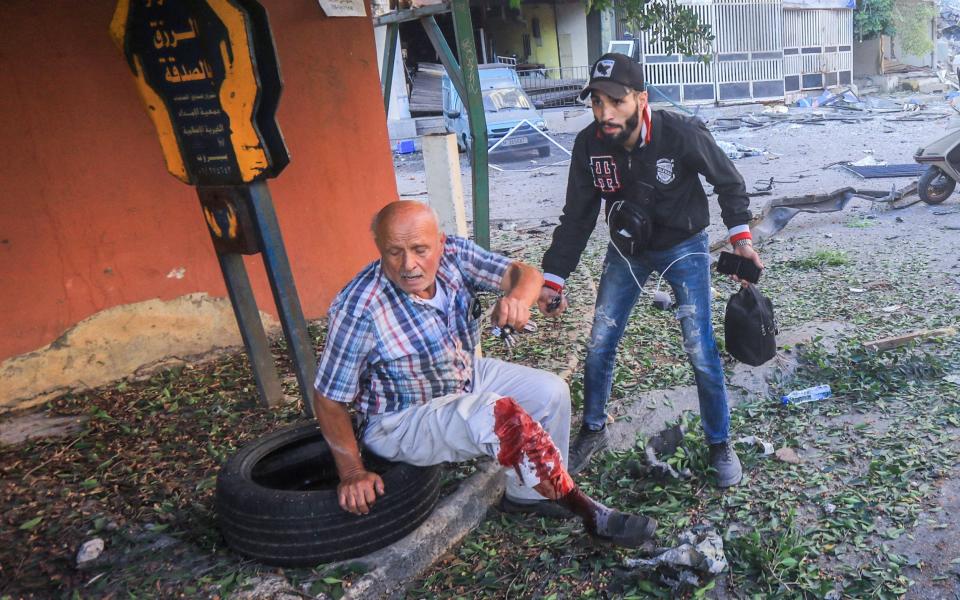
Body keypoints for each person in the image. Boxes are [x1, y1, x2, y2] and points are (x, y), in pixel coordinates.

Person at [312, 200, 657, 547]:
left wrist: (519, 300)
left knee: (550, 391)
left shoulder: (455, 256)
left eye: (420, 250)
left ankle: (529, 496)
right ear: (379, 250)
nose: (409, 265)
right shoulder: (360, 306)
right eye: (394, 252)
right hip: (401, 418)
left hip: (461, 375)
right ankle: (590, 513)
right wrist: (352, 472)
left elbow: (526, 274)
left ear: (441, 243)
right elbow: (328, 397)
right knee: (499, 415)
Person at [537, 53, 764, 487]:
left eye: (616, 101)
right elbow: (578, 216)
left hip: (683, 245)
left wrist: (741, 239)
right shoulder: (590, 145)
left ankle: (720, 443)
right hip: (627, 250)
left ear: (641, 99)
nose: (605, 112)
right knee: (601, 339)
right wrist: (554, 277)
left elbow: (728, 181)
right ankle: (594, 429)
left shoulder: (680, 133)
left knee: (700, 347)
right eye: (597, 102)